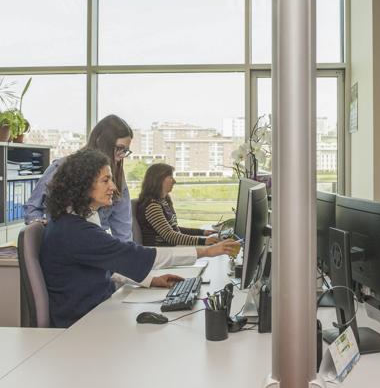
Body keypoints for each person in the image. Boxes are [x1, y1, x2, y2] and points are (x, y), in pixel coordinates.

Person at [39, 149, 241, 328]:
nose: (114, 187)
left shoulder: (72, 220)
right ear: (82, 184)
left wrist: (151, 280)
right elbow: (131, 255)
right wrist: (206, 251)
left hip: (97, 310)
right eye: (105, 180)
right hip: (83, 324)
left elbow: (110, 265)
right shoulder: (76, 232)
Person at [24, 114, 135, 242]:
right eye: (120, 148)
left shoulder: (117, 179)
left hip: (94, 244)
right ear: (101, 141)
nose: (122, 155)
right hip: (62, 243)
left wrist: (127, 255)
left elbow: (123, 231)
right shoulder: (63, 168)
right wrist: (40, 227)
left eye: (125, 151)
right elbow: (33, 207)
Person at [137, 163, 217, 246]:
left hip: (170, 250)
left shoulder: (164, 201)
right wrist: (204, 241)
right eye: (171, 177)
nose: (174, 181)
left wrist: (202, 232)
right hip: (161, 253)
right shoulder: (152, 206)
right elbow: (170, 236)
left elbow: (174, 230)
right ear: (159, 180)